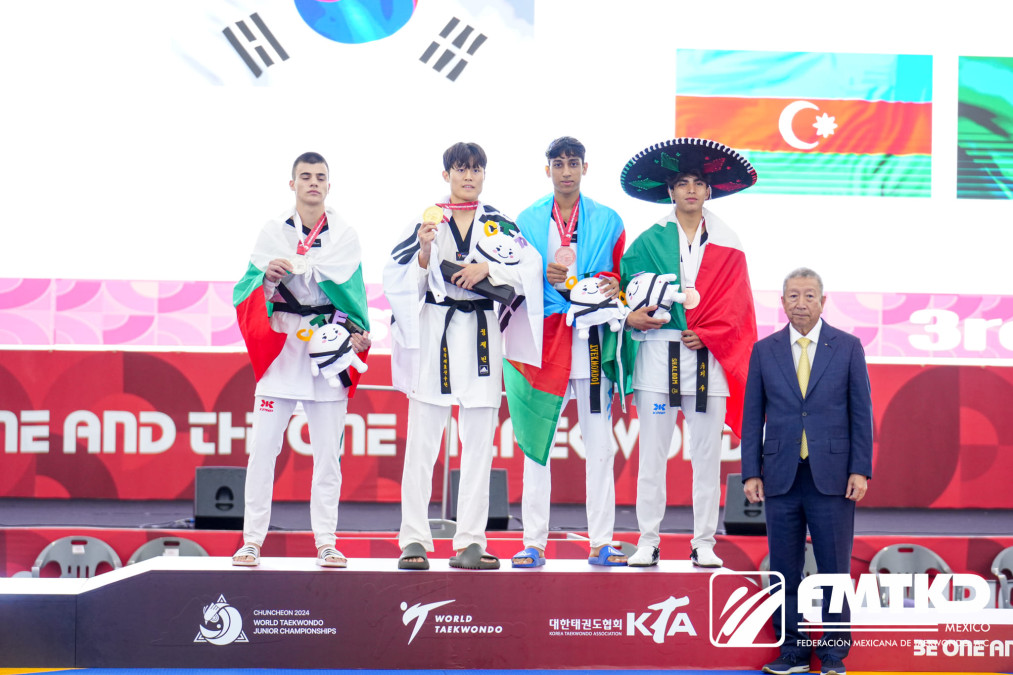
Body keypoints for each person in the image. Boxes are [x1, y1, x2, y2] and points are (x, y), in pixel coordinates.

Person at [384, 142, 543, 570]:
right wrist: (422, 252)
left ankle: (470, 540)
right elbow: (397, 280)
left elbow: (533, 269)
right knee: (422, 444)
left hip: (481, 334)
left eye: (475, 170)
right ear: (446, 175)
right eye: (460, 169)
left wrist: (488, 270)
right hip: (436, 329)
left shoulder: (499, 224)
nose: (468, 176)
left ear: (484, 175)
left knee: (478, 445)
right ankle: (414, 539)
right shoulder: (427, 220)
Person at [609, 137, 758, 568]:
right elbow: (624, 294)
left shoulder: (729, 242)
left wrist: (709, 332)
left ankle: (704, 541)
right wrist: (633, 316)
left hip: (707, 359)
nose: (691, 190)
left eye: (698, 183)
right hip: (658, 356)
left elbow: (738, 307)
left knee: (706, 456)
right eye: (682, 183)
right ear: (670, 191)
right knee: (652, 454)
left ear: (709, 191)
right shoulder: (646, 241)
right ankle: (648, 539)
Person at [232, 151, 371, 568]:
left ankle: (326, 541)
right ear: (291, 184)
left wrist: (357, 332)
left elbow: (354, 296)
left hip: (325, 347)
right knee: (263, 450)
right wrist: (269, 278)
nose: (314, 182)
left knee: (329, 453)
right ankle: (252, 540)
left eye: (321, 177)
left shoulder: (344, 236)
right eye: (305, 176)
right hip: (283, 345)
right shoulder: (273, 232)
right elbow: (247, 290)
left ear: (329, 185)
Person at [741, 268, 873, 675]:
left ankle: (833, 657)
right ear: (781, 302)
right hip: (780, 476)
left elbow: (861, 413)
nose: (801, 302)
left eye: (809, 295)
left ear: (823, 301)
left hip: (833, 477)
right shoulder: (764, 351)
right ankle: (793, 653)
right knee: (784, 570)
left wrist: (860, 469)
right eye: (793, 295)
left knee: (833, 568)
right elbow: (751, 417)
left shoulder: (848, 347)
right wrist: (750, 472)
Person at [507, 136, 628, 568]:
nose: (566, 171)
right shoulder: (526, 219)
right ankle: (532, 542)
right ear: (548, 171)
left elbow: (618, 273)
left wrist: (610, 281)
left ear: (584, 168)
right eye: (558, 163)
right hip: (542, 339)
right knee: (536, 442)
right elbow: (512, 275)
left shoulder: (609, 219)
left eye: (573, 163)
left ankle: (601, 542)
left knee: (600, 446)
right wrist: (541, 274)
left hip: (592, 339)